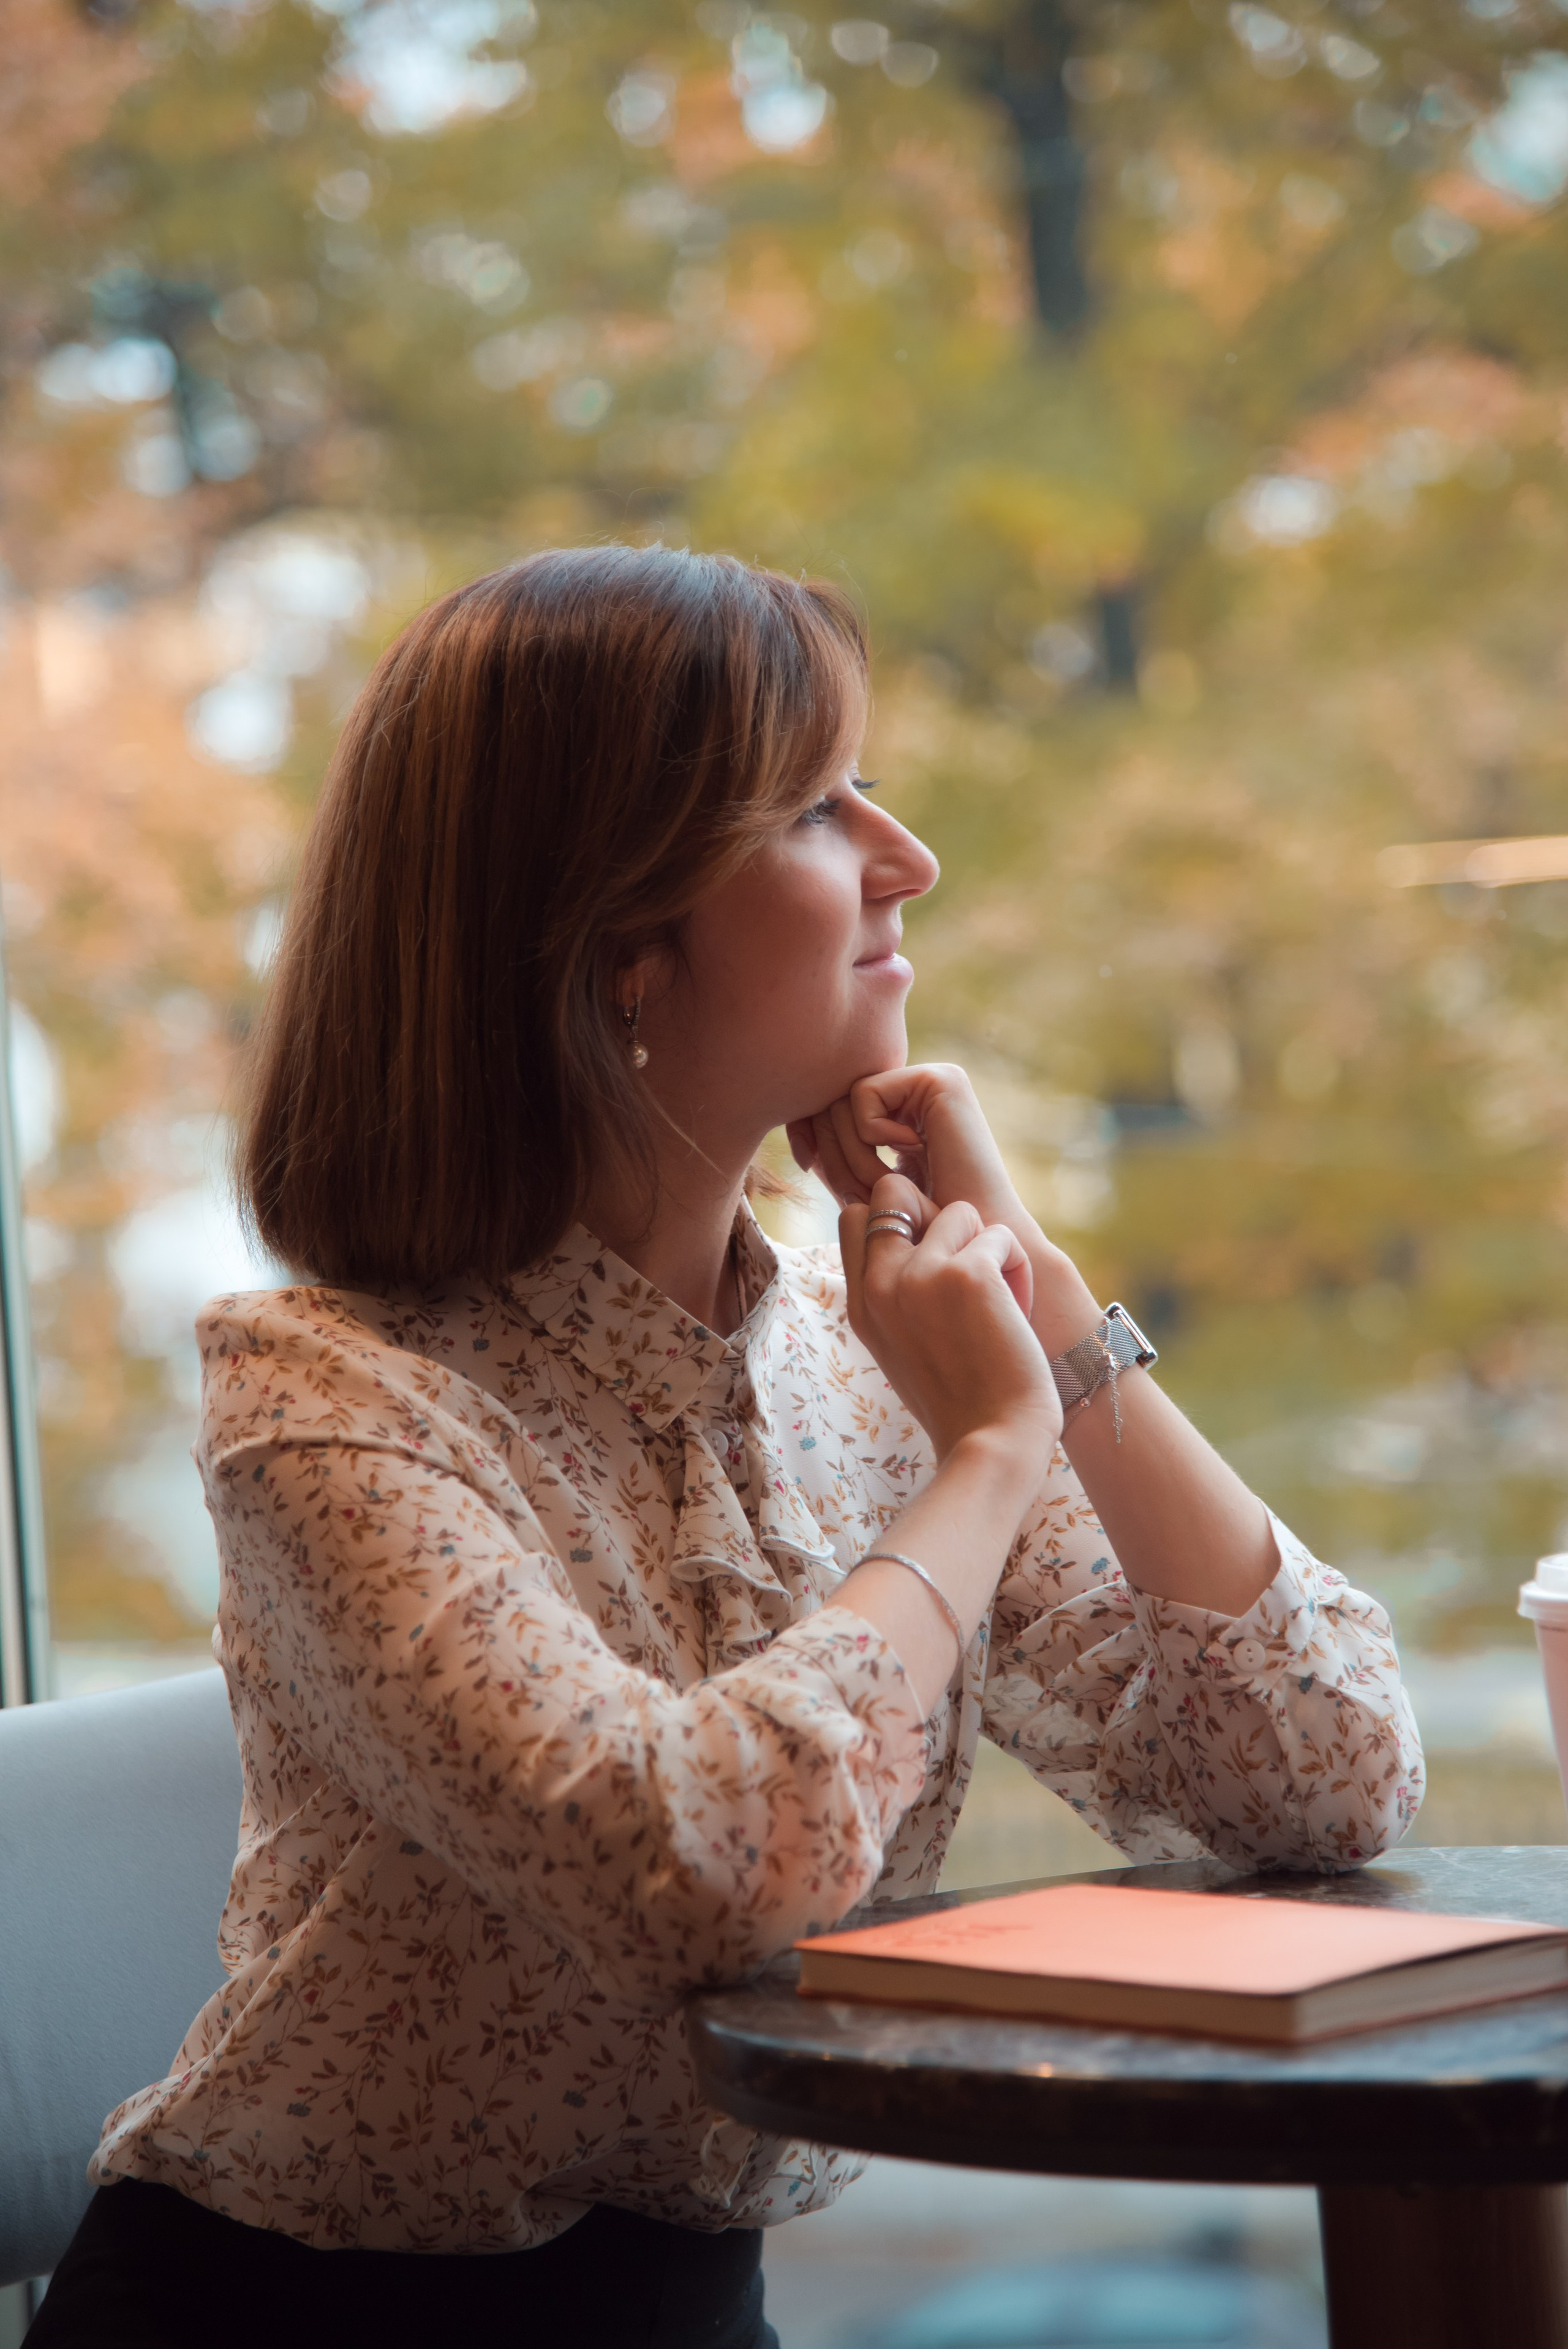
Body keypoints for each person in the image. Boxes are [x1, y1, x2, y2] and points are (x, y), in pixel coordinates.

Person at [29, 545, 1422, 2348]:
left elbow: (1323, 1773)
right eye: (818, 805)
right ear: (620, 946)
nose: (908, 854)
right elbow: (696, 1862)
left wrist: (1061, 1324)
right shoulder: (329, 1397)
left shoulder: (865, 1369)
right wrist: (991, 1452)